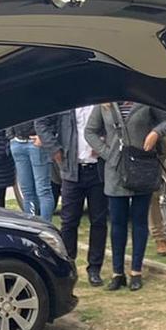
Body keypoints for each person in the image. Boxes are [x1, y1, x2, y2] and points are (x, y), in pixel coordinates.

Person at [87, 100, 166, 292]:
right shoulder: (105, 103)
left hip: (141, 166)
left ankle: (136, 271)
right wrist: (106, 153)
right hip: (115, 170)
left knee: (139, 220)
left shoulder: (146, 97)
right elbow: (90, 131)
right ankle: (118, 273)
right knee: (117, 222)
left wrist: (155, 133)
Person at [54, 105, 108, 287]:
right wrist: (54, 148)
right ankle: (68, 267)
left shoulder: (102, 103)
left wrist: (103, 144)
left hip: (97, 170)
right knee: (68, 221)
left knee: (99, 221)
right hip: (72, 170)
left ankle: (94, 268)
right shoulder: (67, 103)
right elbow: (42, 123)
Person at [7, 116, 61, 222]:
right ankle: (31, 226)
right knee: (27, 191)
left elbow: (54, 117)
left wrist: (44, 137)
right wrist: (10, 135)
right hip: (17, 142)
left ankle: (45, 226)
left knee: (43, 189)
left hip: (36, 143)